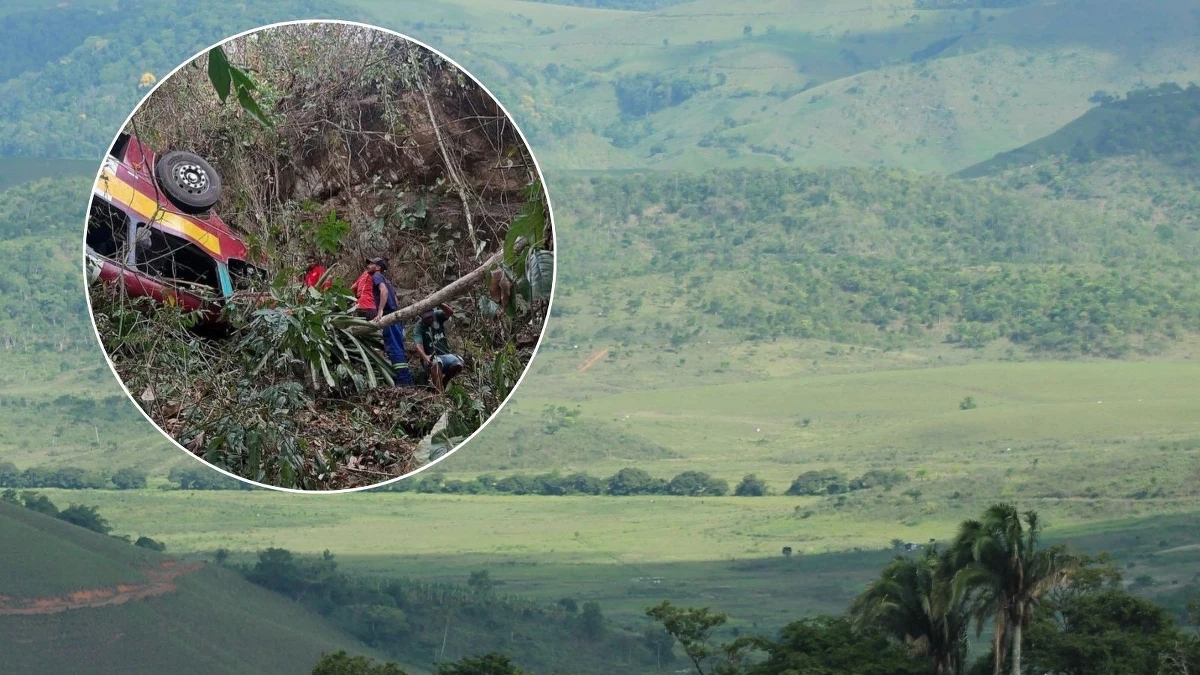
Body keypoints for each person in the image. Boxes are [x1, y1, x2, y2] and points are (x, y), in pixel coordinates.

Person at [363, 257, 413, 387]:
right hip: (395, 317)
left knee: (394, 347)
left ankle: (403, 382)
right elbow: (395, 300)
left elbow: (383, 291)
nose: (368, 266)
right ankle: (405, 378)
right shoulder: (387, 281)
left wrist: (380, 311)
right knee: (397, 347)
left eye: (372, 264)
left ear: (378, 267)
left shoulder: (377, 277)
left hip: (389, 318)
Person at [415, 303, 464, 393]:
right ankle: (439, 394)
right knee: (436, 362)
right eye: (426, 318)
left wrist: (439, 303)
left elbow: (450, 312)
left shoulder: (437, 315)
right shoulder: (419, 327)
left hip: (444, 355)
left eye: (430, 317)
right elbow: (418, 345)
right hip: (430, 358)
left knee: (459, 362)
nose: (429, 319)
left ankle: (444, 382)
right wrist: (425, 356)